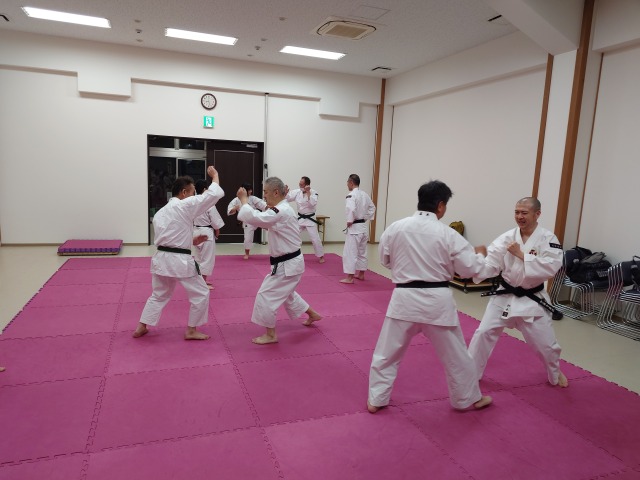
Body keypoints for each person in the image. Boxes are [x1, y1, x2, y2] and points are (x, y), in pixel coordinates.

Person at [368, 180, 492, 413]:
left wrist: (406, 269)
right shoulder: (448, 234)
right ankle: (467, 399)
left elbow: (385, 259)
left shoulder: (396, 228)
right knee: (457, 357)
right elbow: (469, 269)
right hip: (437, 301)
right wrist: (481, 256)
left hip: (404, 298)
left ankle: (376, 399)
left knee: (386, 354)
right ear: (441, 205)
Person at [468, 197, 568, 388]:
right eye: (516, 212)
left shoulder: (548, 239)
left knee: (546, 346)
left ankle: (555, 372)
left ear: (537, 214)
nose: (519, 216)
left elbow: (552, 267)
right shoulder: (507, 237)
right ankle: (470, 374)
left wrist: (521, 255)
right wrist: (477, 261)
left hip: (532, 298)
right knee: (483, 333)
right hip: (505, 295)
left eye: (524, 213)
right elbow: (491, 265)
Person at [133, 167, 224, 341]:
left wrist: (192, 240)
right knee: (201, 293)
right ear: (184, 192)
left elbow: (170, 238)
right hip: (180, 261)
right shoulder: (184, 205)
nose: (193, 196)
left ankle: (142, 326)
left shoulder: (160, 213)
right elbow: (212, 195)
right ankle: (191, 330)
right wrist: (215, 175)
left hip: (161, 259)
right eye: (192, 192)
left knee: (159, 294)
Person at [237, 177, 322, 345]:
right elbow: (266, 215)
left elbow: (256, 218)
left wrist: (244, 200)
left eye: (266, 192)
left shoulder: (281, 211)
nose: (264, 195)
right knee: (287, 294)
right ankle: (313, 314)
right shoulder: (282, 209)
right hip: (289, 263)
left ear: (276, 192)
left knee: (266, 295)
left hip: (288, 264)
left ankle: (270, 335)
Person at [341, 174, 376, 283]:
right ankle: (361, 274)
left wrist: (350, 220)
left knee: (350, 252)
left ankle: (350, 277)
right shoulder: (364, 194)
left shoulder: (351, 195)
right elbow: (372, 207)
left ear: (351, 182)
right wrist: (365, 218)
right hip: (363, 227)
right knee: (362, 251)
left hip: (355, 228)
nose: (347, 184)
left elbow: (351, 209)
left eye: (347, 182)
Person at [193, 179, 225, 289]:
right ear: (204, 189)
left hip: (195, 231)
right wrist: (217, 230)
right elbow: (215, 221)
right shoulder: (208, 203)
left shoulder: (194, 202)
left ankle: (199, 281)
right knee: (207, 258)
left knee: (198, 258)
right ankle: (202, 283)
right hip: (206, 232)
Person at [285, 176, 325, 263]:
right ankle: (291, 254)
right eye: (299, 184)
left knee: (315, 239)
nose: (300, 185)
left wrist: (308, 192)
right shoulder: (297, 192)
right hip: (300, 218)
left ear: (307, 185)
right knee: (293, 234)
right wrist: (285, 193)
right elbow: (287, 198)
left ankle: (321, 256)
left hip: (310, 219)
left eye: (301, 184)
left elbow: (312, 204)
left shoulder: (314, 192)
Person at [227, 183, 267, 259]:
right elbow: (230, 210)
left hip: (256, 217)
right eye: (249, 190)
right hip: (247, 222)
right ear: (244, 190)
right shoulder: (236, 200)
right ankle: (247, 253)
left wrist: (268, 206)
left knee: (270, 227)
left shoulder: (253, 198)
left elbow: (262, 204)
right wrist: (235, 208)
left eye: (251, 190)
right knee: (248, 238)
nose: (250, 191)